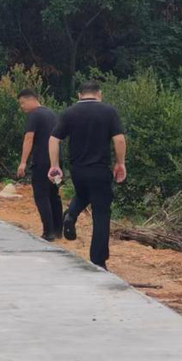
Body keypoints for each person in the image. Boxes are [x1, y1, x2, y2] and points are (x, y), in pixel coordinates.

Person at [47, 80, 127, 270]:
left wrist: (54, 166)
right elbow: (119, 139)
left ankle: (71, 214)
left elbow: (53, 139)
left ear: (79, 95)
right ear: (99, 94)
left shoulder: (69, 112)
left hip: (78, 171)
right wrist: (120, 163)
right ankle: (98, 260)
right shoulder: (109, 112)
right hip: (99, 170)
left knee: (83, 194)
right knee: (101, 213)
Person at [16, 88, 63, 241]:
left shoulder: (34, 115)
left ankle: (48, 232)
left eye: (22, 103)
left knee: (41, 196)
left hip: (41, 162)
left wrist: (23, 162)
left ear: (31, 100)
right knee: (54, 196)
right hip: (55, 163)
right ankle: (58, 230)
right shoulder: (52, 114)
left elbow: (29, 138)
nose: (21, 107)